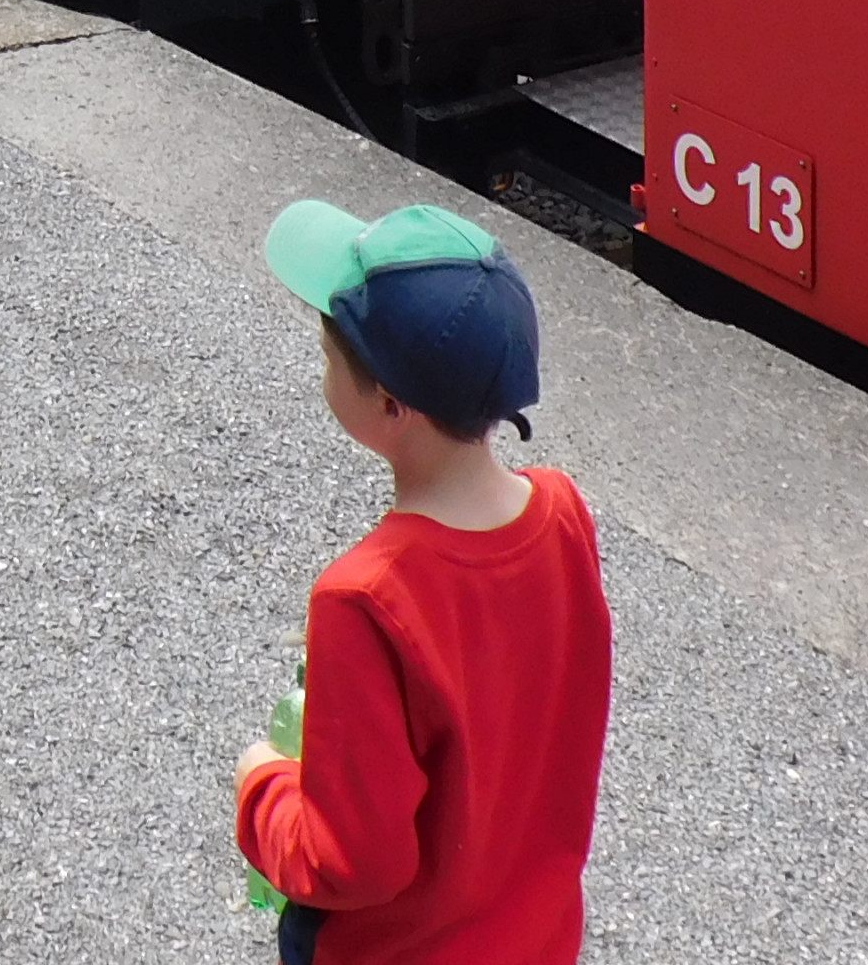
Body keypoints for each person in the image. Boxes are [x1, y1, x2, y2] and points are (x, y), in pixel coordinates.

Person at [235, 201, 612, 965]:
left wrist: (262, 789)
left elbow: (353, 862)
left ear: (389, 405)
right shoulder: (563, 514)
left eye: (326, 358)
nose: (321, 372)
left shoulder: (365, 598)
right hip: (533, 939)